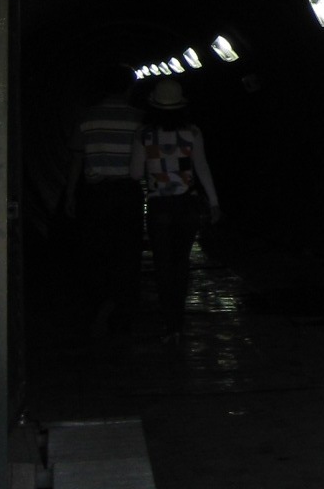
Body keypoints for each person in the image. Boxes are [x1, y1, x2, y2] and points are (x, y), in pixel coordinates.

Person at [134, 81, 220, 337]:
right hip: (187, 204)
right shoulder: (192, 133)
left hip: (159, 204)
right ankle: (179, 318)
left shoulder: (144, 134)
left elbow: (135, 172)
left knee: (162, 263)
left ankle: (168, 320)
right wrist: (214, 202)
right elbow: (202, 168)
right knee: (181, 262)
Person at [70, 82, 145, 341]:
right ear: (127, 89)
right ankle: (122, 312)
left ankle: (98, 303)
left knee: (96, 252)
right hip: (127, 192)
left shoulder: (87, 116)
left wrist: (70, 194)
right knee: (127, 253)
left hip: (96, 194)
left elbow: (77, 158)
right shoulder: (139, 118)